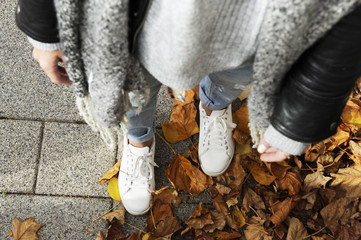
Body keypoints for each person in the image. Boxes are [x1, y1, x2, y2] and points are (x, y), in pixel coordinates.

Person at [16, 0, 361, 215]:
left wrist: (300, 120)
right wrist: (45, 28)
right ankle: (139, 141)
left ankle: (213, 107)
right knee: (134, 93)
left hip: (253, 33)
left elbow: (348, 14)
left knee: (232, 78)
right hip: (133, 25)